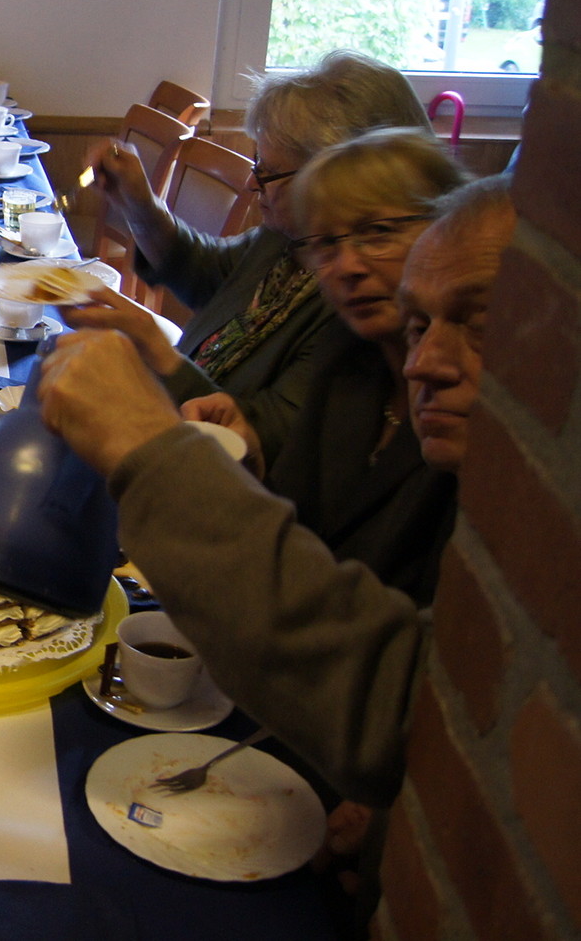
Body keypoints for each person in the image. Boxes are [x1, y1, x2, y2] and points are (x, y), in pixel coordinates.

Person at [38, 175, 515, 809]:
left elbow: (398, 705)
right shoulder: (353, 372)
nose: (422, 361)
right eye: (419, 325)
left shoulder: (517, 519)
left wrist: (151, 451)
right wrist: (255, 472)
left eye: (479, 324)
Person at [68, 50, 431, 462]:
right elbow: (205, 273)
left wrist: (157, 351)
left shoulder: (358, 305)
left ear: (338, 177)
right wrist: (139, 204)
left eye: (269, 172)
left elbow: (267, 444)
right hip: (172, 433)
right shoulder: (286, 240)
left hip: (199, 463)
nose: (253, 184)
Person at [192, 129, 468, 604]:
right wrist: (253, 468)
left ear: (447, 230)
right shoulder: (347, 355)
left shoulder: (468, 403)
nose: (347, 267)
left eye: (377, 233)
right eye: (325, 244)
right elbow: (298, 531)